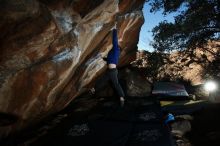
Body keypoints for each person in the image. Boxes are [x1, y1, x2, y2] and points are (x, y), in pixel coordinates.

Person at [90, 23, 125, 107]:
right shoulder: (112, 53)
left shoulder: (116, 50)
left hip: (112, 71)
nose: (117, 46)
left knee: (116, 84)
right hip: (110, 71)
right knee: (102, 80)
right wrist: (102, 58)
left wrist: (114, 30)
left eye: (118, 47)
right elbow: (109, 60)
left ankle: (122, 97)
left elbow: (115, 40)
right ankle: (94, 89)